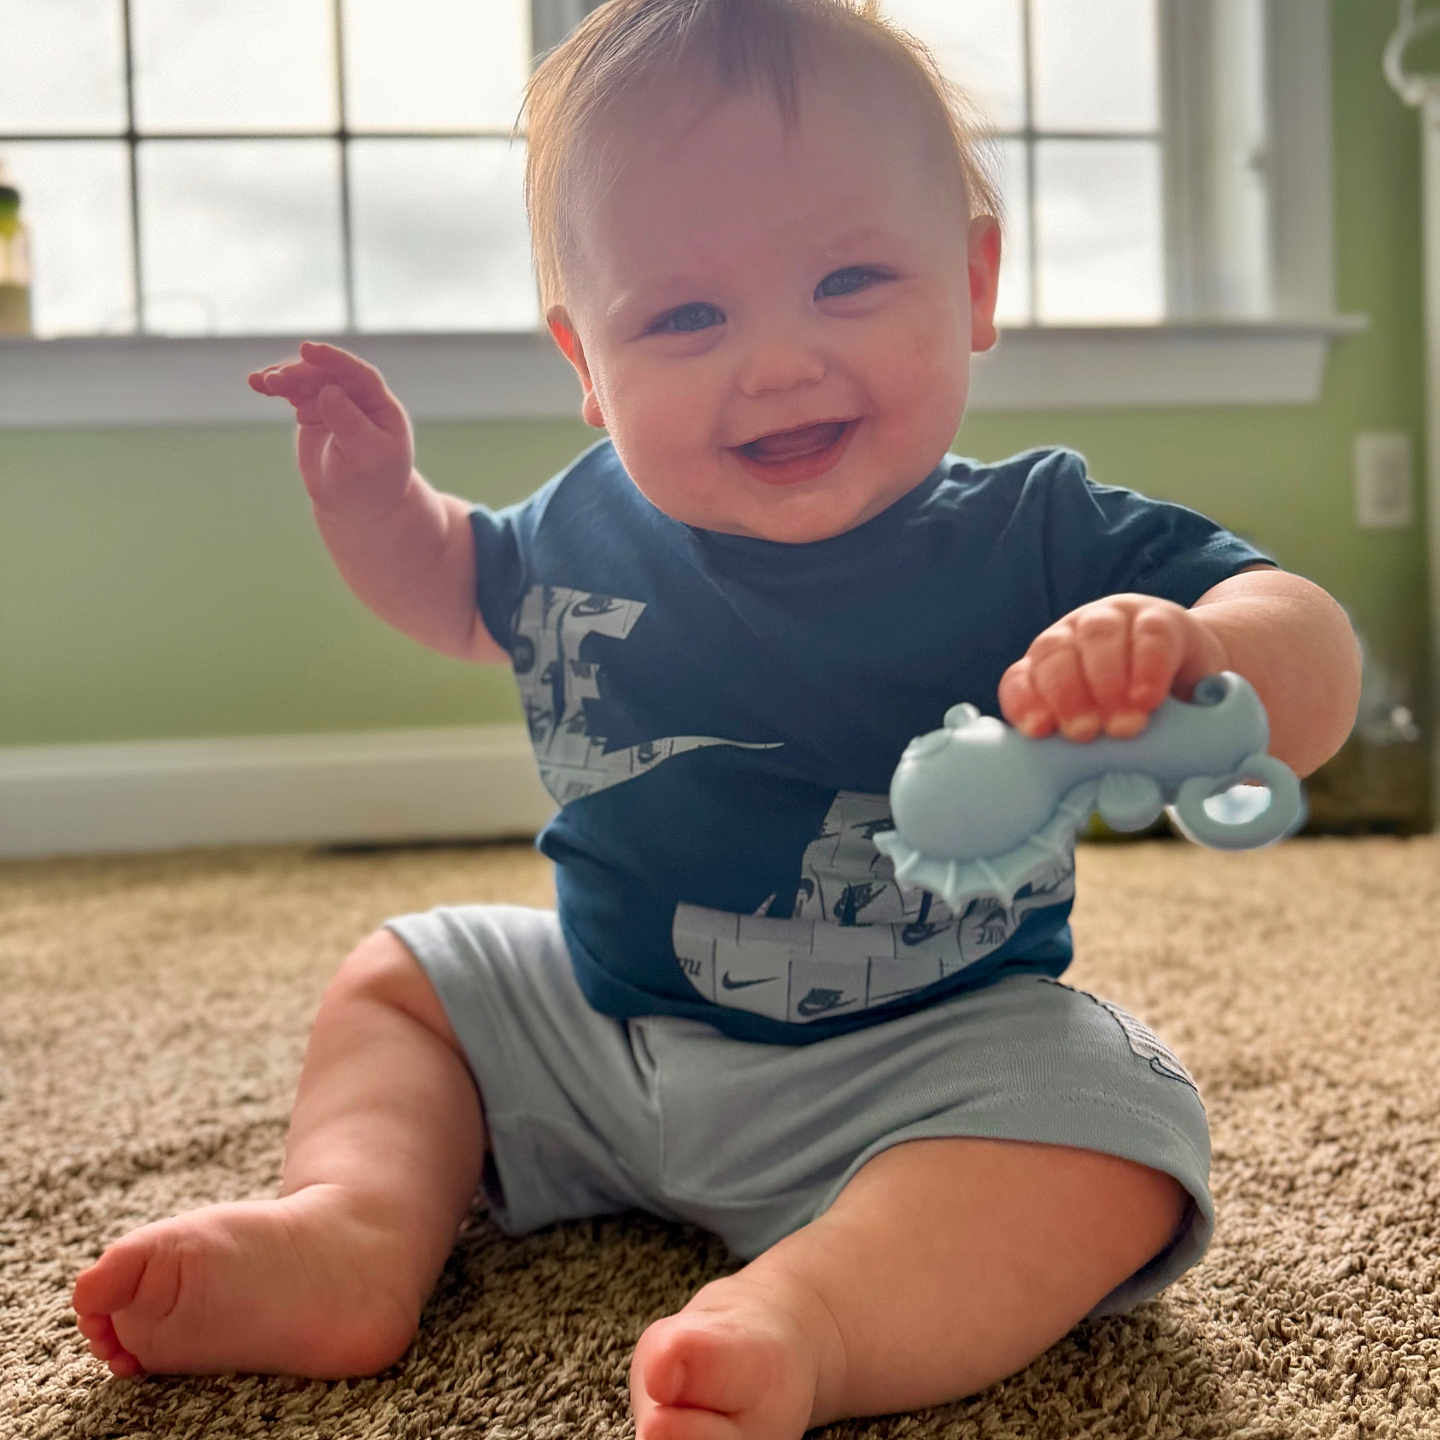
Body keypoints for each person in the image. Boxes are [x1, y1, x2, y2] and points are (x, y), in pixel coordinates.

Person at [71, 2, 1361, 1435]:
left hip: (920, 1063)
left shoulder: (1039, 535)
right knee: (407, 978)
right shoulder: (581, 526)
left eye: (850, 280)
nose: (776, 362)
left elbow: (1304, 642)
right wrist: (376, 504)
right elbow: (452, 591)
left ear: (975, 280)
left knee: (1121, 1117)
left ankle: (818, 1315)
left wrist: (1189, 650)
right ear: (584, 359)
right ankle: (355, 1225)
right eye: (686, 315)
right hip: (604, 1030)